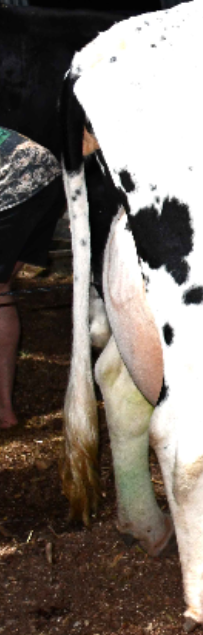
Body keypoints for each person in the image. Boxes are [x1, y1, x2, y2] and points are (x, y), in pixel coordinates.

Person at [0, 125, 63, 429]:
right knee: (1, 289)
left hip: (17, 178)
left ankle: (4, 410)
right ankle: (5, 410)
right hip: (46, 171)